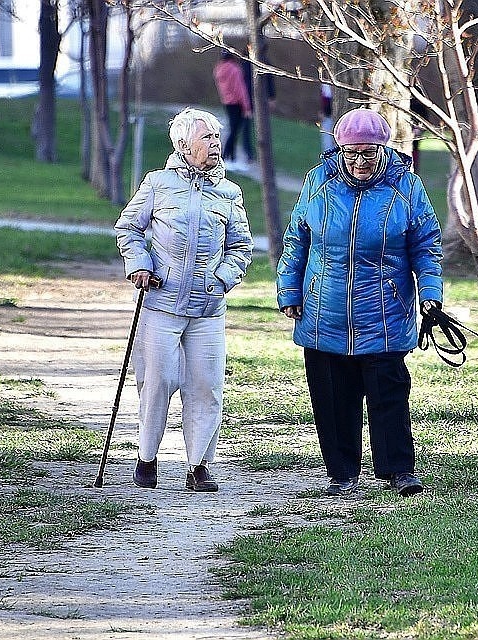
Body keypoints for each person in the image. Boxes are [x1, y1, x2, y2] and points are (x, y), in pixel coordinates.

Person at [276, 108, 443, 497]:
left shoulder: (406, 186)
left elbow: (426, 245)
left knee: (389, 393)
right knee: (332, 396)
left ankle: (398, 470)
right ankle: (341, 472)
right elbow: (296, 238)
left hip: (384, 309)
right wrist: (289, 289)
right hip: (324, 308)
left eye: (368, 153)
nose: (358, 162)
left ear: (383, 148)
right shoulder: (318, 181)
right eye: (350, 153)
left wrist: (431, 294)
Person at [115, 107, 254, 493]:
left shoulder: (229, 192)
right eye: (206, 138)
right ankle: (146, 457)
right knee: (157, 382)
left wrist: (222, 278)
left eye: (216, 137)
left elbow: (241, 246)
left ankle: (199, 465)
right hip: (161, 304)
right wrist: (139, 264)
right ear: (183, 145)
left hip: (208, 310)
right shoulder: (158, 184)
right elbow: (128, 228)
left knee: (206, 385)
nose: (215, 144)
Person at [213, 50, 253, 168]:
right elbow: (240, 89)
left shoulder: (218, 69)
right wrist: (247, 106)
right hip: (237, 103)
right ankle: (227, 155)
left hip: (227, 102)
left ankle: (230, 156)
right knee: (234, 130)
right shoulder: (235, 69)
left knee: (232, 129)